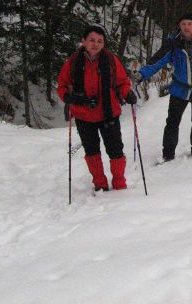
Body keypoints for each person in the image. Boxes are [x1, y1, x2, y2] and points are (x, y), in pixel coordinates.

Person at [133, 13, 192, 161]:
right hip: (180, 89)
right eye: (183, 24)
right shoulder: (173, 43)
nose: (186, 27)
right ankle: (168, 155)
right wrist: (142, 74)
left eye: (189, 24)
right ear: (179, 26)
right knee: (172, 122)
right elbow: (157, 61)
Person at [57, 24, 136, 191]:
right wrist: (68, 97)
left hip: (109, 113)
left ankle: (119, 182)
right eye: (92, 40)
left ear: (104, 43)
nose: (95, 44)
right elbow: (62, 85)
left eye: (100, 41)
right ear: (83, 41)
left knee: (116, 150)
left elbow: (122, 82)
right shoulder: (72, 62)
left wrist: (127, 93)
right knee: (92, 151)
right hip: (84, 114)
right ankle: (100, 183)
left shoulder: (111, 60)